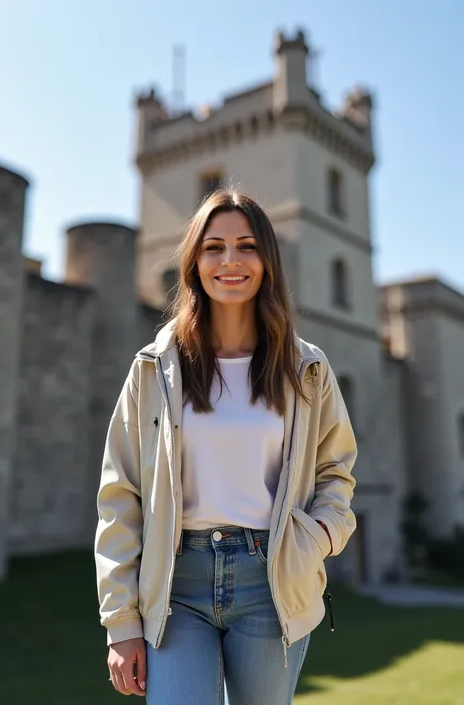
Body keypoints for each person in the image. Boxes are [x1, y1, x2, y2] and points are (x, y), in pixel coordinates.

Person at [94, 188, 357, 704]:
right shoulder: (154, 366)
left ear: (267, 262)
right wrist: (121, 621)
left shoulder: (307, 368)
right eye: (214, 247)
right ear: (194, 262)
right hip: (174, 587)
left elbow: (336, 471)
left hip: (271, 581)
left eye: (247, 246)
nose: (230, 261)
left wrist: (318, 538)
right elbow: (119, 492)